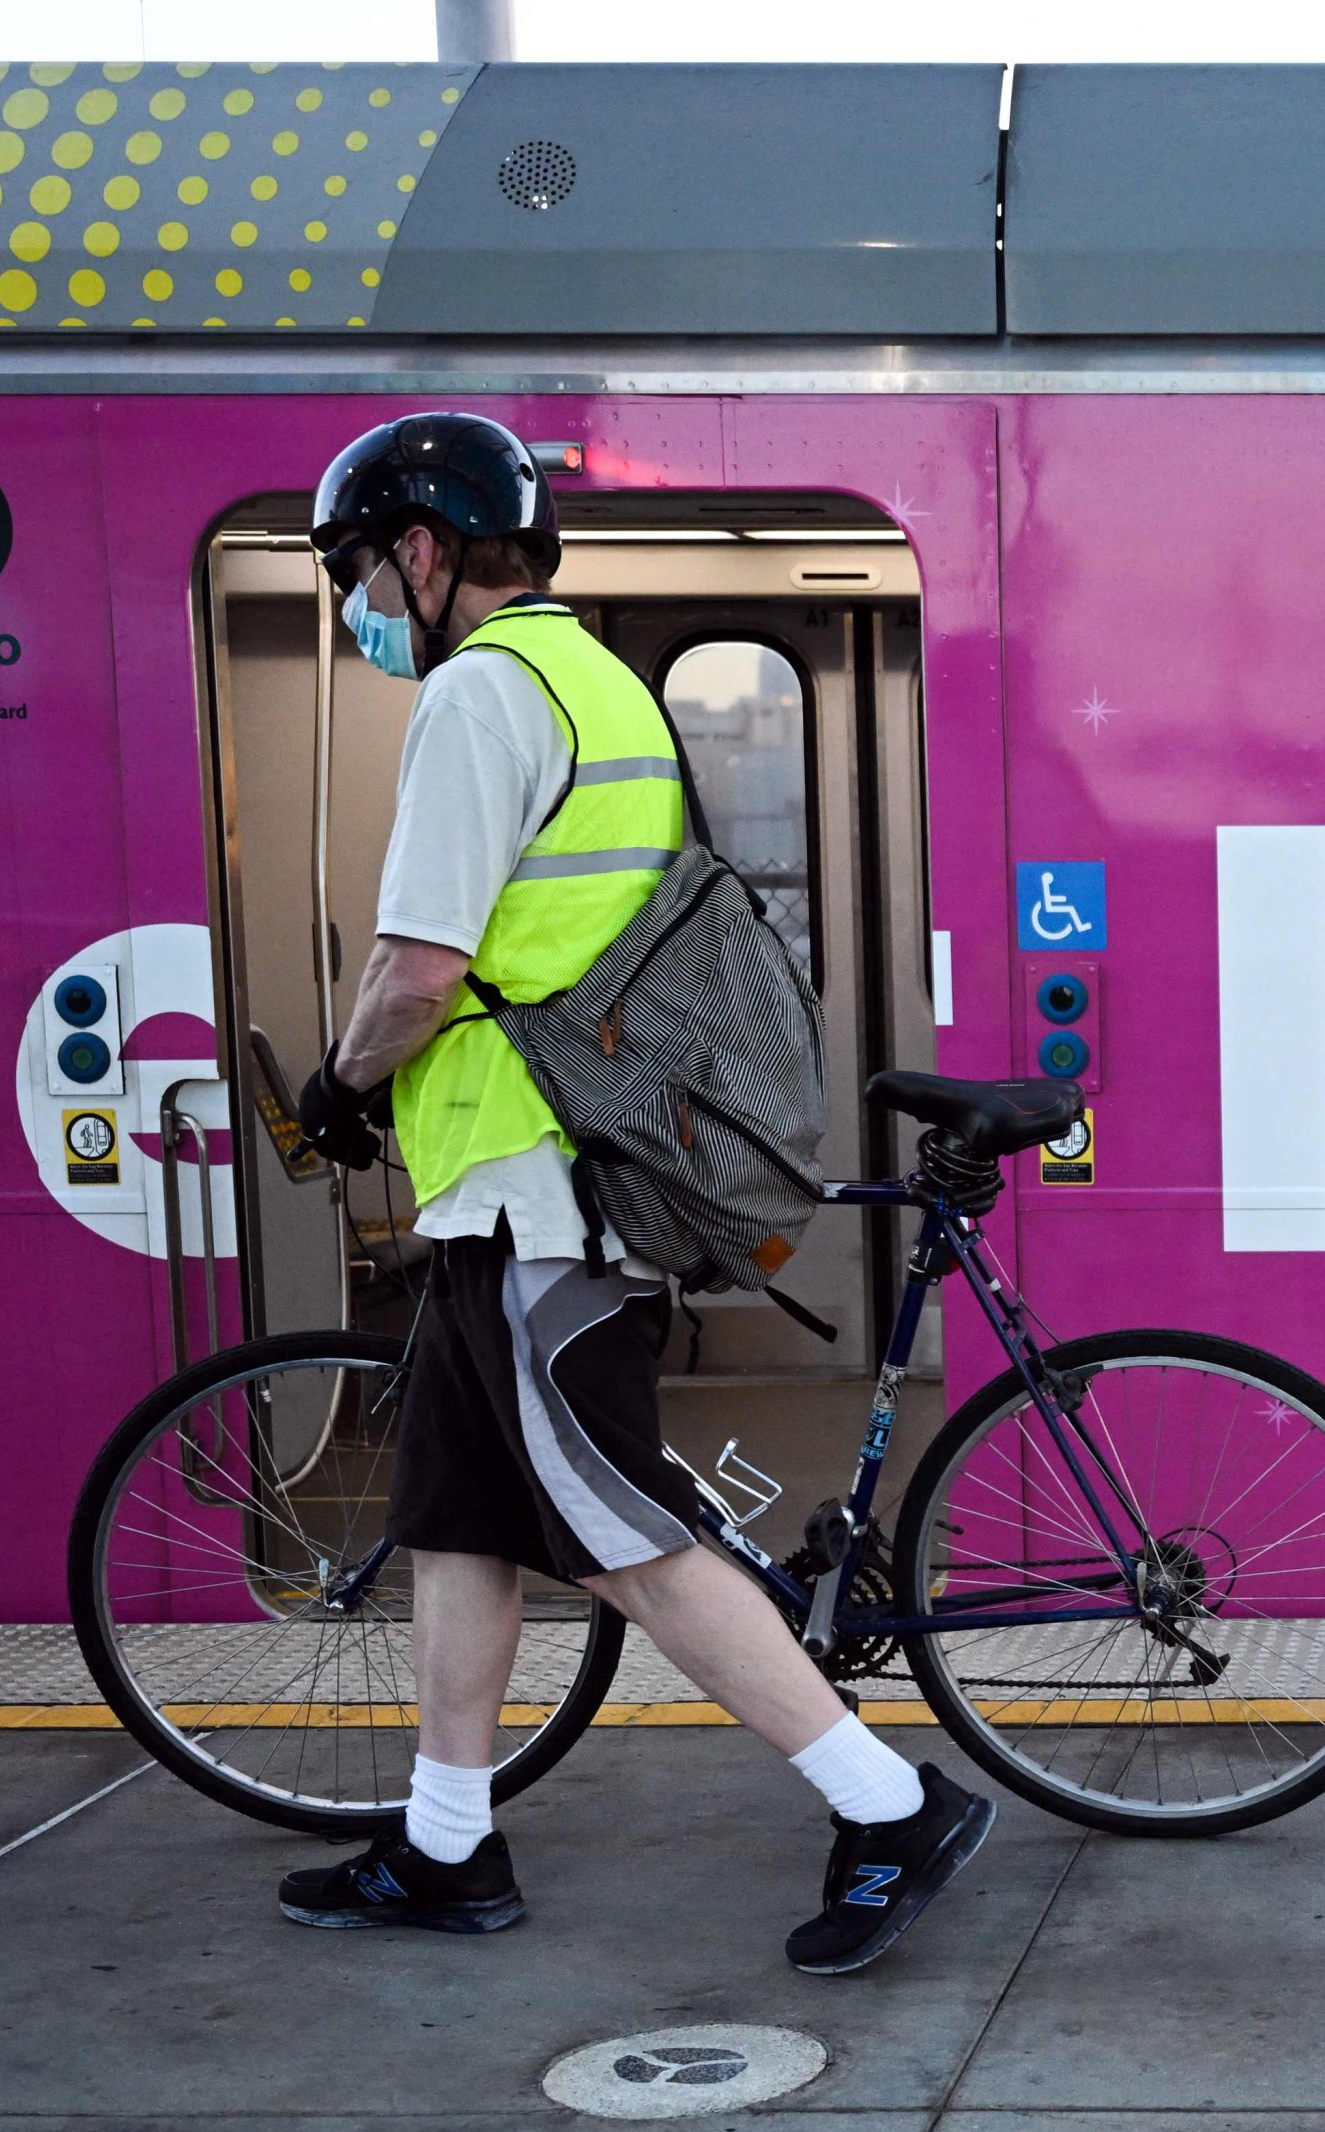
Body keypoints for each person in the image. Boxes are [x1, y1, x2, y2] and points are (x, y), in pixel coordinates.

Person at [276, 410, 987, 1975]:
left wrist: (337, 1088)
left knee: (629, 1538)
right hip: (510, 1196)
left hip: (545, 1193)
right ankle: (447, 1841)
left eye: (356, 570)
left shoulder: (481, 692)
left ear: (424, 546)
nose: (359, 606)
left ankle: (886, 1803)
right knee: (457, 1520)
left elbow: (420, 969)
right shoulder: (594, 679)